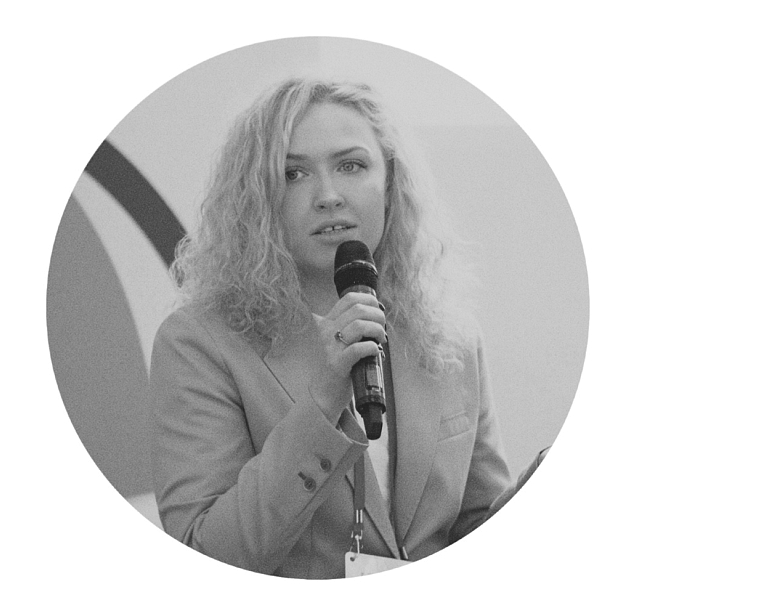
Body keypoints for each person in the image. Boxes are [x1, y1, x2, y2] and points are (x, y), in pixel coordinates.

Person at [150, 78, 512, 579]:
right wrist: (322, 400)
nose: (328, 196)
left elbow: (478, 525)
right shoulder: (198, 343)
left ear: (390, 181)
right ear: (257, 198)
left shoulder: (448, 333)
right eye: (293, 173)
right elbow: (205, 556)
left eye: (351, 165)